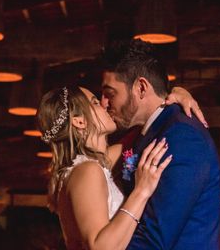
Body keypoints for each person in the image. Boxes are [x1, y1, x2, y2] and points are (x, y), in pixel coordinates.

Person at [37, 84, 204, 250]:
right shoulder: (87, 170)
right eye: (95, 102)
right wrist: (141, 191)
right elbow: (99, 247)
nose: (104, 104)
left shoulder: (96, 164)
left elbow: (146, 132)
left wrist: (179, 92)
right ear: (80, 121)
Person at [101, 39, 220, 249]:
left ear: (140, 87)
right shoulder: (147, 133)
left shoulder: (182, 137)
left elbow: (153, 238)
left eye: (110, 94)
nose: (104, 103)